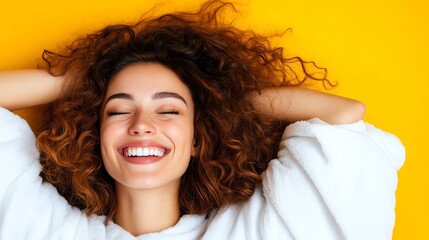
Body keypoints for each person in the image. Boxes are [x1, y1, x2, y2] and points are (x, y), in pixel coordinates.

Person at [0, 0, 404, 239]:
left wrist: (222, 96)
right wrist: (83, 80)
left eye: (170, 110)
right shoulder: (44, 227)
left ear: (197, 139)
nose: (142, 123)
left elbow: (343, 117)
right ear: (95, 134)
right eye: (119, 109)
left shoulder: (245, 231)